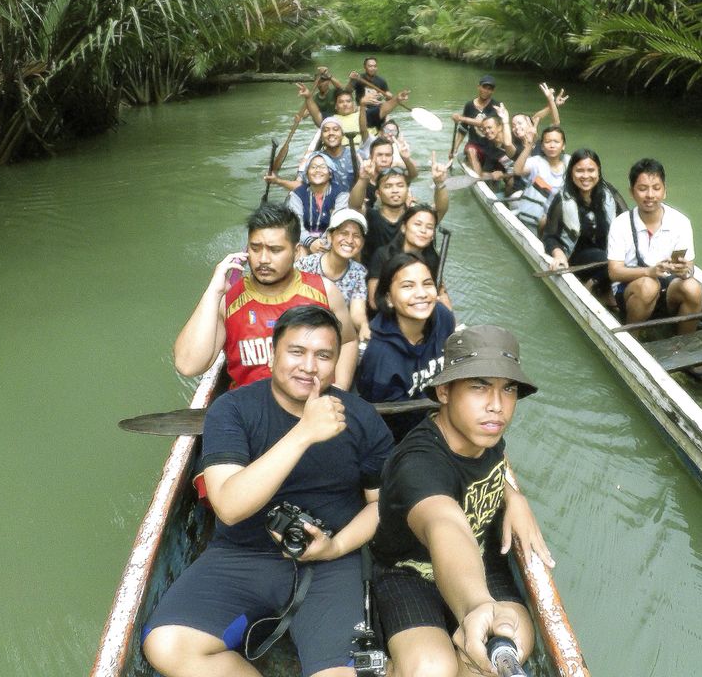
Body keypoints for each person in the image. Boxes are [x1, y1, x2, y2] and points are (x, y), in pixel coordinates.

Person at [143, 305, 394, 677]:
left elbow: (381, 506)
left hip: (331, 561)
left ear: (337, 362)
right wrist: (304, 432)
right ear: (272, 353)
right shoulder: (232, 410)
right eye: (296, 352)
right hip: (243, 554)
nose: (309, 367)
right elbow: (227, 506)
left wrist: (335, 547)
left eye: (323, 356)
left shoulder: (360, 417)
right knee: (165, 645)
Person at [369, 325, 550, 677]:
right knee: (431, 670)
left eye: (507, 389)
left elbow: (487, 475)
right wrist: (478, 605)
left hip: (482, 559)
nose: (497, 406)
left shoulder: (485, 433)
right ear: (444, 391)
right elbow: (445, 525)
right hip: (409, 574)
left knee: (512, 644)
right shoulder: (417, 463)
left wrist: (514, 497)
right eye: (479, 386)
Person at [173, 203, 358, 389]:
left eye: (275, 250)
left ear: (296, 252)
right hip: (249, 412)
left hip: (309, 408)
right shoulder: (228, 300)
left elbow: (348, 341)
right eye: (255, 248)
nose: (263, 259)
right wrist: (213, 292)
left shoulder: (324, 292)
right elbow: (188, 366)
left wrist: (340, 389)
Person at [354, 252, 456, 440]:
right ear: (389, 299)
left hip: (443, 416)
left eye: (427, 284)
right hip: (404, 435)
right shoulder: (380, 357)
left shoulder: (443, 316)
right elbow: (384, 419)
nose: (421, 294)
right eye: (408, 286)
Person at [606, 157, 702, 334]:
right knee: (647, 285)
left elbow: (689, 266)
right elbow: (614, 272)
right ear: (632, 192)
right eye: (642, 189)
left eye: (656, 188)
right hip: (631, 291)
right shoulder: (620, 224)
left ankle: (685, 346)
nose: (650, 195)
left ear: (664, 191)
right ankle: (632, 338)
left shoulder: (680, 222)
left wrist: (684, 271)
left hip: (667, 288)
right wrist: (649, 272)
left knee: (693, 287)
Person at [542, 148, 628, 294]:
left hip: (608, 254)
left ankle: (595, 281)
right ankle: (598, 286)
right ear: (571, 173)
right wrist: (558, 254)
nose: (586, 176)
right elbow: (549, 236)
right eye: (580, 171)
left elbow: (627, 222)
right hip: (577, 256)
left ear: (598, 171)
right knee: (609, 259)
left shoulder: (609, 193)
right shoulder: (562, 200)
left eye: (591, 170)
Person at [297, 209, 370, 343]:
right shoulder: (306, 265)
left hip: (337, 335)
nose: (350, 240)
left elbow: (357, 312)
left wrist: (364, 326)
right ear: (330, 236)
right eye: (343, 233)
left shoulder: (358, 272)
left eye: (356, 236)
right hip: (302, 330)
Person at [354, 164, 449, 266]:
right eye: (388, 186)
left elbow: (440, 210)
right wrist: (363, 179)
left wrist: (439, 183)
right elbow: (355, 206)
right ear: (378, 193)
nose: (395, 190)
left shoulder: (417, 217)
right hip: (377, 277)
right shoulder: (370, 217)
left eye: (400, 185)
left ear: (407, 190)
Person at [366, 203, 453, 310]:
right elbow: (374, 302)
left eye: (429, 227)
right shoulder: (383, 255)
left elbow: (440, 289)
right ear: (403, 228)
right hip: (389, 316)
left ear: (432, 236)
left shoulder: (432, 259)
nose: (423, 231)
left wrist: (444, 301)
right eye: (417, 224)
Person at [265, 152, 350, 252]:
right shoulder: (297, 195)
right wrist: (310, 242)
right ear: (307, 174)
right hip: (304, 242)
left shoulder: (341, 194)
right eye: (313, 167)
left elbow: (338, 222)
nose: (317, 170)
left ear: (330, 173)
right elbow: (296, 224)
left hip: (331, 242)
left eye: (322, 167)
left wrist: (323, 242)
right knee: (299, 252)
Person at [511, 124, 568, 232]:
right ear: (542, 146)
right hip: (533, 222)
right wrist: (529, 145)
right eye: (547, 142)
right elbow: (517, 171)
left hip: (557, 221)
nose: (552, 145)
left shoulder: (569, 164)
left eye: (556, 142)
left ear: (563, 146)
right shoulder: (536, 162)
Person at [293, 116, 359, 193]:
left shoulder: (355, 155)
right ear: (321, 137)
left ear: (342, 135)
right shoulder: (314, 158)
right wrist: (279, 181)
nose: (331, 133)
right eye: (326, 130)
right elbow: (300, 184)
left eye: (335, 129)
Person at [510, 82, 567, 160]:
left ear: (530, 124)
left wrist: (551, 101)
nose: (516, 127)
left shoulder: (543, 143)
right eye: (513, 125)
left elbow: (555, 123)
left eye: (519, 123)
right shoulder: (513, 145)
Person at [451, 75, 500, 164]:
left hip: (491, 145)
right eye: (484, 87)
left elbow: (484, 123)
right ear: (478, 87)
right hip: (474, 145)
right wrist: (454, 148)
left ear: (493, 91)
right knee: (471, 151)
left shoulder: (496, 106)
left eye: (490, 89)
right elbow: (463, 129)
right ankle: (478, 177)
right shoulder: (469, 105)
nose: (486, 91)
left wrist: (461, 118)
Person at [465, 109, 515, 183]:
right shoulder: (490, 147)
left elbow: (517, 169)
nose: (487, 131)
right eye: (484, 129)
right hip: (507, 169)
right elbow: (486, 171)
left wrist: (503, 175)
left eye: (489, 127)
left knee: (512, 180)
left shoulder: (513, 139)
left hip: (522, 173)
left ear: (499, 127)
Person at [348, 56, 390, 131]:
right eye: (370, 66)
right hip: (362, 108)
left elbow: (388, 98)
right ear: (365, 67)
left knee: (387, 118)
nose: (373, 68)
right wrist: (351, 81)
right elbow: (347, 92)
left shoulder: (381, 81)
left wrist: (390, 97)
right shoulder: (358, 78)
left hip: (377, 108)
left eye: (375, 66)